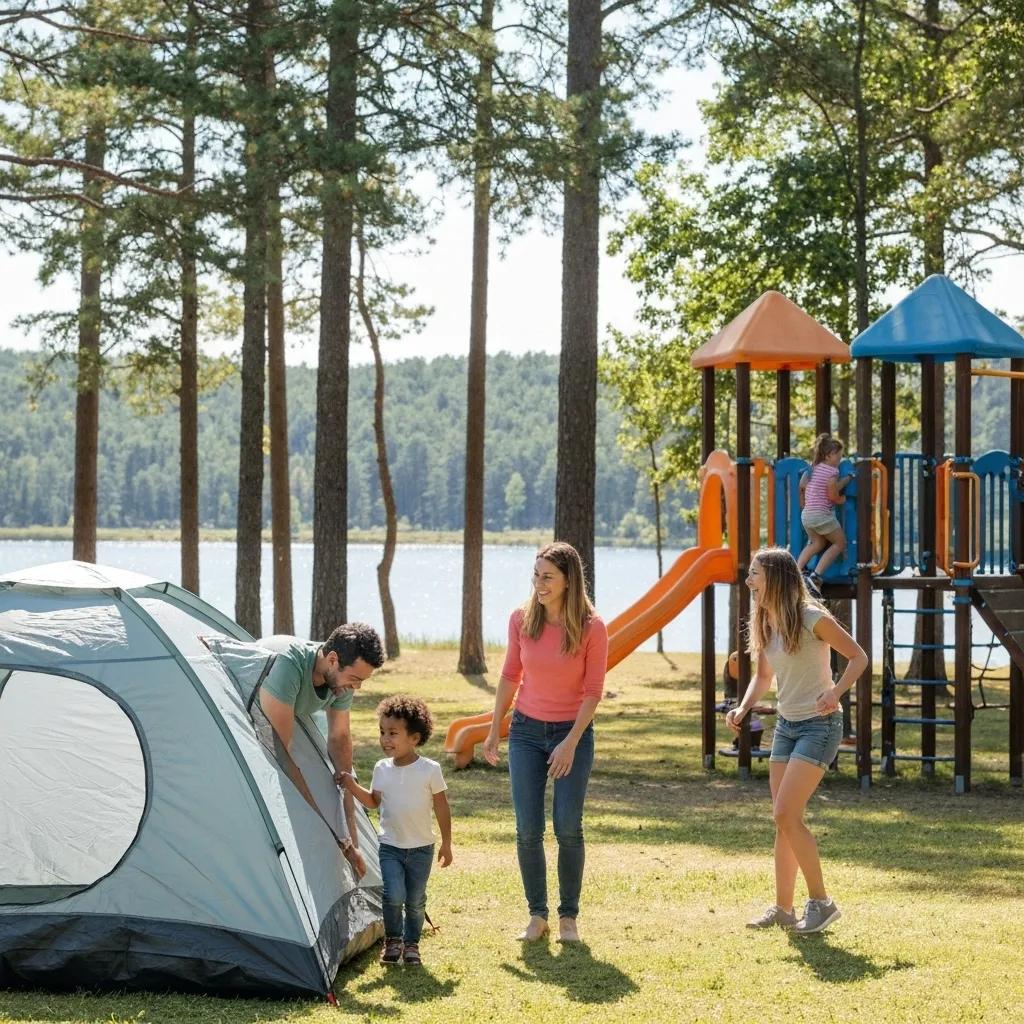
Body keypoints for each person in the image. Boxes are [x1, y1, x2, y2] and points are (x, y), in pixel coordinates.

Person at [726, 547, 867, 934]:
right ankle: (784, 909)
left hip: (819, 727)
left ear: (774, 576)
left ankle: (822, 903)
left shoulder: (812, 617)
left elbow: (858, 657)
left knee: (786, 813)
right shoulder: (767, 620)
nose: (749, 580)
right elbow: (764, 677)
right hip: (787, 726)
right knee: (784, 821)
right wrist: (743, 708)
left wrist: (835, 692)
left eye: (754, 573)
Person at [482, 541, 608, 944]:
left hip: (573, 732)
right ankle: (537, 916)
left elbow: (593, 691)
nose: (539, 583)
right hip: (526, 733)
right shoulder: (521, 619)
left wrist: (571, 742)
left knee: (568, 826)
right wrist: (493, 727)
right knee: (527, 829)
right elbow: (509, 676)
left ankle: (568, 917)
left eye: (548, 576)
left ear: (569, 580)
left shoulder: (592, 626)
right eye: (536, 575)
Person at [258, 622, 385, 878]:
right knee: (292, 795)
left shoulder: (340, 681)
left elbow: (339, 741)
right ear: (333, 659)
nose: (357, 687)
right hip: (253, 714)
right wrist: (333, 834)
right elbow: (281, 755)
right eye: (355, 679)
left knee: (329, 781)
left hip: (296, 712)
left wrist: (350, 836)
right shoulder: (288, 667)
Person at [338, 695, 453, 967]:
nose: (385, 739)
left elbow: (442, 808)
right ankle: (393, 940)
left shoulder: (430, 770)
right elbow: (374, 802)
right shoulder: (381, 768)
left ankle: (411, 944)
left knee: (414, 899)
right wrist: (352, 786)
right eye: (382, 732)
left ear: (414, 738)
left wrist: (447, 843)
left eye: (393, 733)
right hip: (390, 846)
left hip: (422, 847)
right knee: (393, 895)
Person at [796, 433, 852, 593]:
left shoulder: (812, 469)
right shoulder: (831, 472)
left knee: (817, 543)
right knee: (840, 543)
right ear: (828, 456)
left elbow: (802, 485)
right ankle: (816, 576)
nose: (840, 460)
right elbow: (833, 495)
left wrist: (846, 480)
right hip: (822, 515)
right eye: (838, 456)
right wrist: (842, 499)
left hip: (807, 515)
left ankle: (797, 572)